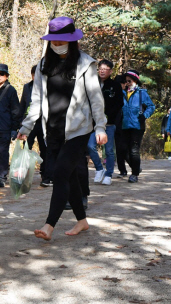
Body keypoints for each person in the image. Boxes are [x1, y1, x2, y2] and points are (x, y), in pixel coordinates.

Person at [17, 16, 107, 241]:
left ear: (72, 40)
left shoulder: (86, 64)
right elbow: (36, 99)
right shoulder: (43, 65)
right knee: (71, 177)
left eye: (61, 41)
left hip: (78, 130)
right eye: (53, 42)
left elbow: (96, 99)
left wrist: (100, 127)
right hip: (53, 130)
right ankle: (82, 221)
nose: (57, 45)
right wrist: (26, 127)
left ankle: (49, 225)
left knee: (59, 174)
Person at [86, 59, 123, 186]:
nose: (102, 71)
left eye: (105, 69)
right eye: (100, 68)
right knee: (90, 145)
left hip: (109, 122)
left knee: (109, 150)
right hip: (93, 122)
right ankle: (99, 168)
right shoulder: (92, 83)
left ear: (110, 71)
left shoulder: (115, 85)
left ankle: (108, 174)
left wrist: (108, 115)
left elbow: (119, 103)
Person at [121, 70, 155, 183]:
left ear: (135, 80)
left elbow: (151, 106)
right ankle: (136, 167)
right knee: (123, 150)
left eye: (129, 80)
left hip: (137, 125)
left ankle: (134, 174)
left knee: (134, 150)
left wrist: (144, 115)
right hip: (124, 125)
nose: (127, 83)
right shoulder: (123, 93)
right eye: (125, 81)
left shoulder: (142, 93)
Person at [21, 65, 49, 185]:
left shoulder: (48, 87)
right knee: (26, 148)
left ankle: (46, 175)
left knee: (45, 150)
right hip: (29, 123)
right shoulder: (27, 87)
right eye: (33, 75)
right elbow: (22, 104)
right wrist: (21, 124)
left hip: (44, 123)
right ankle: (23, 175)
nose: (35, 77)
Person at [114, 74, 128, 178]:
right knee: (121, 148)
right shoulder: (120, 94)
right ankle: (123, 169)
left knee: (122, 148)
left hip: (123, 124)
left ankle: (124, 169)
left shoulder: (126, 94)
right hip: (120, 124)